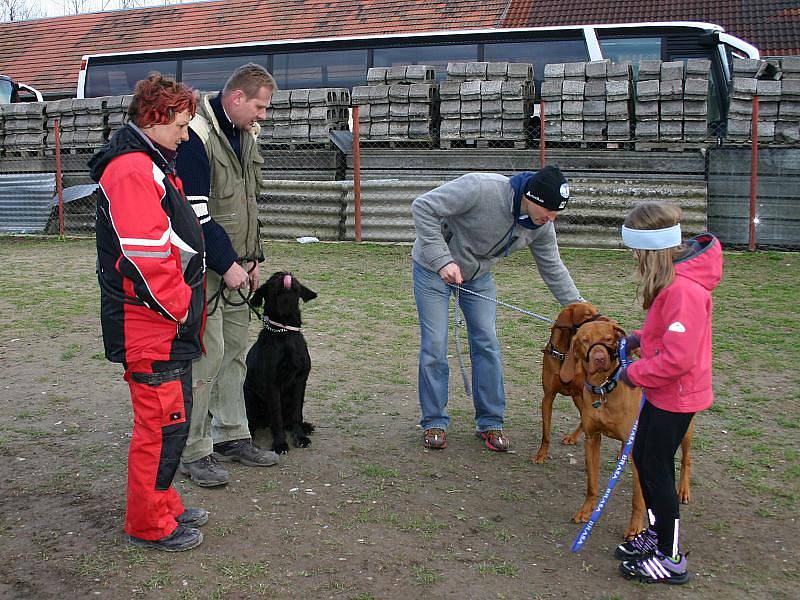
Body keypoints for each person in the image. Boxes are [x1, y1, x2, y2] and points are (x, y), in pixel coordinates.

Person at [90, 74, 208, 551]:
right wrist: (181, 307)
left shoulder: (149, 163)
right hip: (151, 325)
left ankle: (163, 503)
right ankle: (148, 523)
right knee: (160, 426)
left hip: (159, 323)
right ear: (156, 118)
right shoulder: (134, 169)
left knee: (171, 422)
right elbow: (146, 255)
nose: (185, 135)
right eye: (181, 125)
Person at [411, 166, 585, 452]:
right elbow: (423, 207)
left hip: (477, 276)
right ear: (530, 196)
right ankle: (434, 422)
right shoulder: (480, 188)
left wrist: (581, 310)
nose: (551, 219)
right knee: (435, 345)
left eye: (557, 213)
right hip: (432, 268)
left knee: (487, 342)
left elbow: (553, 268)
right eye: (548, 210)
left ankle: (490, 423)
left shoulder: (541, 226)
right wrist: (442, 259)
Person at [175, 63, 279, 487]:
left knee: (235, 350)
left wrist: (253, 257)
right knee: (208, 354)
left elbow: (248, 201)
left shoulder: (245, 133)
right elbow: (195, 213)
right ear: (237, 98)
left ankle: (232, 434)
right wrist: (228, 264)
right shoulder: (195, 137)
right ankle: (193, 449)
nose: (263, 115)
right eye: (260, 106)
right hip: (206, 267)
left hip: (238, 265)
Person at [615, 201, 722, 584]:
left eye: (636, 250)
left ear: (651, 250)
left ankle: (670, 557)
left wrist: (634, 374)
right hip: (664, 393)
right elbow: (668, 334)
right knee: (645, 459)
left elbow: (678, 358)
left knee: (657, 471)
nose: (633, 257)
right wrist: (640, 338)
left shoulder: (683, 291)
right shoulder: (672, 286)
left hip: (676, 395)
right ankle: (658, 537)